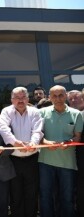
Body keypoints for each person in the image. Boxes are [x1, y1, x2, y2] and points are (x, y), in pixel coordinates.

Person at [0, 87, 43, 217]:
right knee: (15, 194)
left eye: (23, 97)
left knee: (32, 193)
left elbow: (37, 130)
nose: (20, 100)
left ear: (28, 99)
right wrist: (15, 142)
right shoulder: (6, 111)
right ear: (12, 100)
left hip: (32, 159)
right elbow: (2, 127)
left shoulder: (34, 111)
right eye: (17, 97)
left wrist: (34, 142)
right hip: (14, 160)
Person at [39, 85, 82, 217]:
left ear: (66, 96)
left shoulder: (76, 114)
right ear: (49, 97)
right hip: (46, 162)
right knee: (46, 197)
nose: (58, 98)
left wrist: (68, 143)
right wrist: (46, 142)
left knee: (67, 198)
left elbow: (77, 137)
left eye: (61, 95)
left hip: (67, 163)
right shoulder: (41, 113)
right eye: (54, 96)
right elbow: (37, 135)